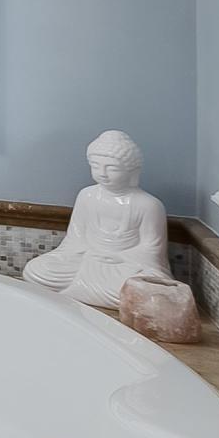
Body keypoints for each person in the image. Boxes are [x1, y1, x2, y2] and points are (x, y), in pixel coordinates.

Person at [23, 129, 171, 311]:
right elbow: (74, 238)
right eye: (96, 166)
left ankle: (76, 291)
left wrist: (117, 257)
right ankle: (87, 291)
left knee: (147, 293)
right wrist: (82, 254)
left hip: (122, 266)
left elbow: (152, 249)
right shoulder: (86, 195)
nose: (103, 173)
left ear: (132, 170)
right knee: (35, 270)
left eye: (112, 168)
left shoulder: (148, 204)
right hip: (85, 258)